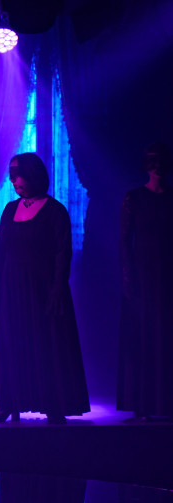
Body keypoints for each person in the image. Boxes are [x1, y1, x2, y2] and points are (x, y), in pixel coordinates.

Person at [0, 152, 90, 424]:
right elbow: (0, 251)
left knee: (45, 345)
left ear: (33, 174)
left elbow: (63, 254)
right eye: (12, 175)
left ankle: (52, 404)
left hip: (42, 288)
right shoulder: (10, 209)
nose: (14, 180)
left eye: (19, 174)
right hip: (13, 288)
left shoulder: (54, 211)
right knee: (12, 345)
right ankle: (9, 404)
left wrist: (57, 289)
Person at [117, 142, 173, 421]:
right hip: (142, 274)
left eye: (161, 161)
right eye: (153, 161)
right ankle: (141, 401)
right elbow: (124, 240)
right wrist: (128, 275)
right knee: (142, 335)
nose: (157, 167)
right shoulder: (134, 198)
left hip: (168, 274)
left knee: (167, 335)